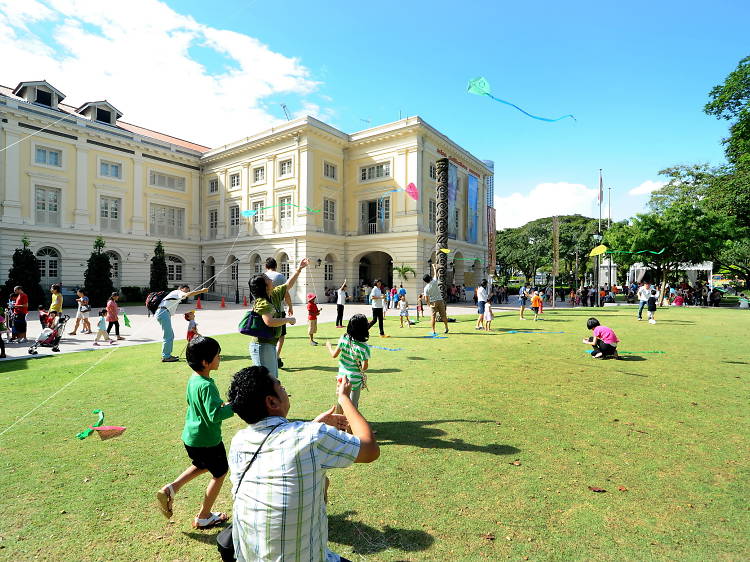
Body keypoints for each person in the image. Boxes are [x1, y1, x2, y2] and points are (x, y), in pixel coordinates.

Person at [227, 366, 378, 562]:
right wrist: (344, 398)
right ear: (271, 401)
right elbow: (370, 449)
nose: (284, 388)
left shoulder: (239, 441)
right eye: (280, 385)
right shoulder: (310, 436)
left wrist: (314, 426)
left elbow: (285, 457)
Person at [156, 336, 234, 529]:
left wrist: (222, 404)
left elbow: (199, 405)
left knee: (202, 464)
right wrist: (236, 406)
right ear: (205, 362)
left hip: (191, 438)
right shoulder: (207, 385)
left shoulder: (195, 380)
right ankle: (204, 516)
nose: (220, 358)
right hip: (208, 440)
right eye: (217, 355)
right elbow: (214, 415)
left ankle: (171, 488)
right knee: (220, 472)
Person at [247, 258, 308, 378]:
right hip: (261, 346)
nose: (271, 279)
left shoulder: (274, 293)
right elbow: (269, 322)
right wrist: (288, 320)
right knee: (266, 379)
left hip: (269, 344)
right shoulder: (262, 302)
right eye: (267, 279)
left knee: (273, 377)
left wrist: (299, 269)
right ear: (265, 286)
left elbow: (288, 285)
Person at [326, 313, 370, 409]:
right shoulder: (364, 347)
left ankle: (339, 421)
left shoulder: (344, 338)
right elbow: (364, 367)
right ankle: (351, 422)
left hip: (342, 377)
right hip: (354, 379)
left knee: (341, 401)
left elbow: (334, 355)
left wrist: (329, 346)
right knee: (353, 405)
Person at [156, 284, 209, 363]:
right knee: (168, 335)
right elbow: (187, 294)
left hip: (163, 312)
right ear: (182, 289)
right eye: (186, 290)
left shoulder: (176, 294)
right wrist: (201, 291)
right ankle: (166, 357)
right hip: (163, 312)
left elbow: (186, 294)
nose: (187, 292)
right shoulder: (178, 291)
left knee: (169, 335)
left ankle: (167, 355)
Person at [264, 257, 294, 368]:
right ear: (276, 266)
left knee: (267, 334)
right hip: (279, 310)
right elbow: (286, 294)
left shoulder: (262, 277)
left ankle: (270, 356)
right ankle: (276, 355)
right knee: (281, 335)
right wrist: (290, 306)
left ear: (266, 267)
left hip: (265, 311)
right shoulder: (280, 276)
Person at [423, 264, 449, 336]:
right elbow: (435, 274)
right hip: (440, 300)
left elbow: (426, 298)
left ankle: (433, 330)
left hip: (433, 302)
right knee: (443, 315)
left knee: (433, 317)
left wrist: (428, 304)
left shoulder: (426, 288)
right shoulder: (434, 281)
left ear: (425, 281)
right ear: (429, 278)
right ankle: (446, 328)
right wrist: (434, 267)